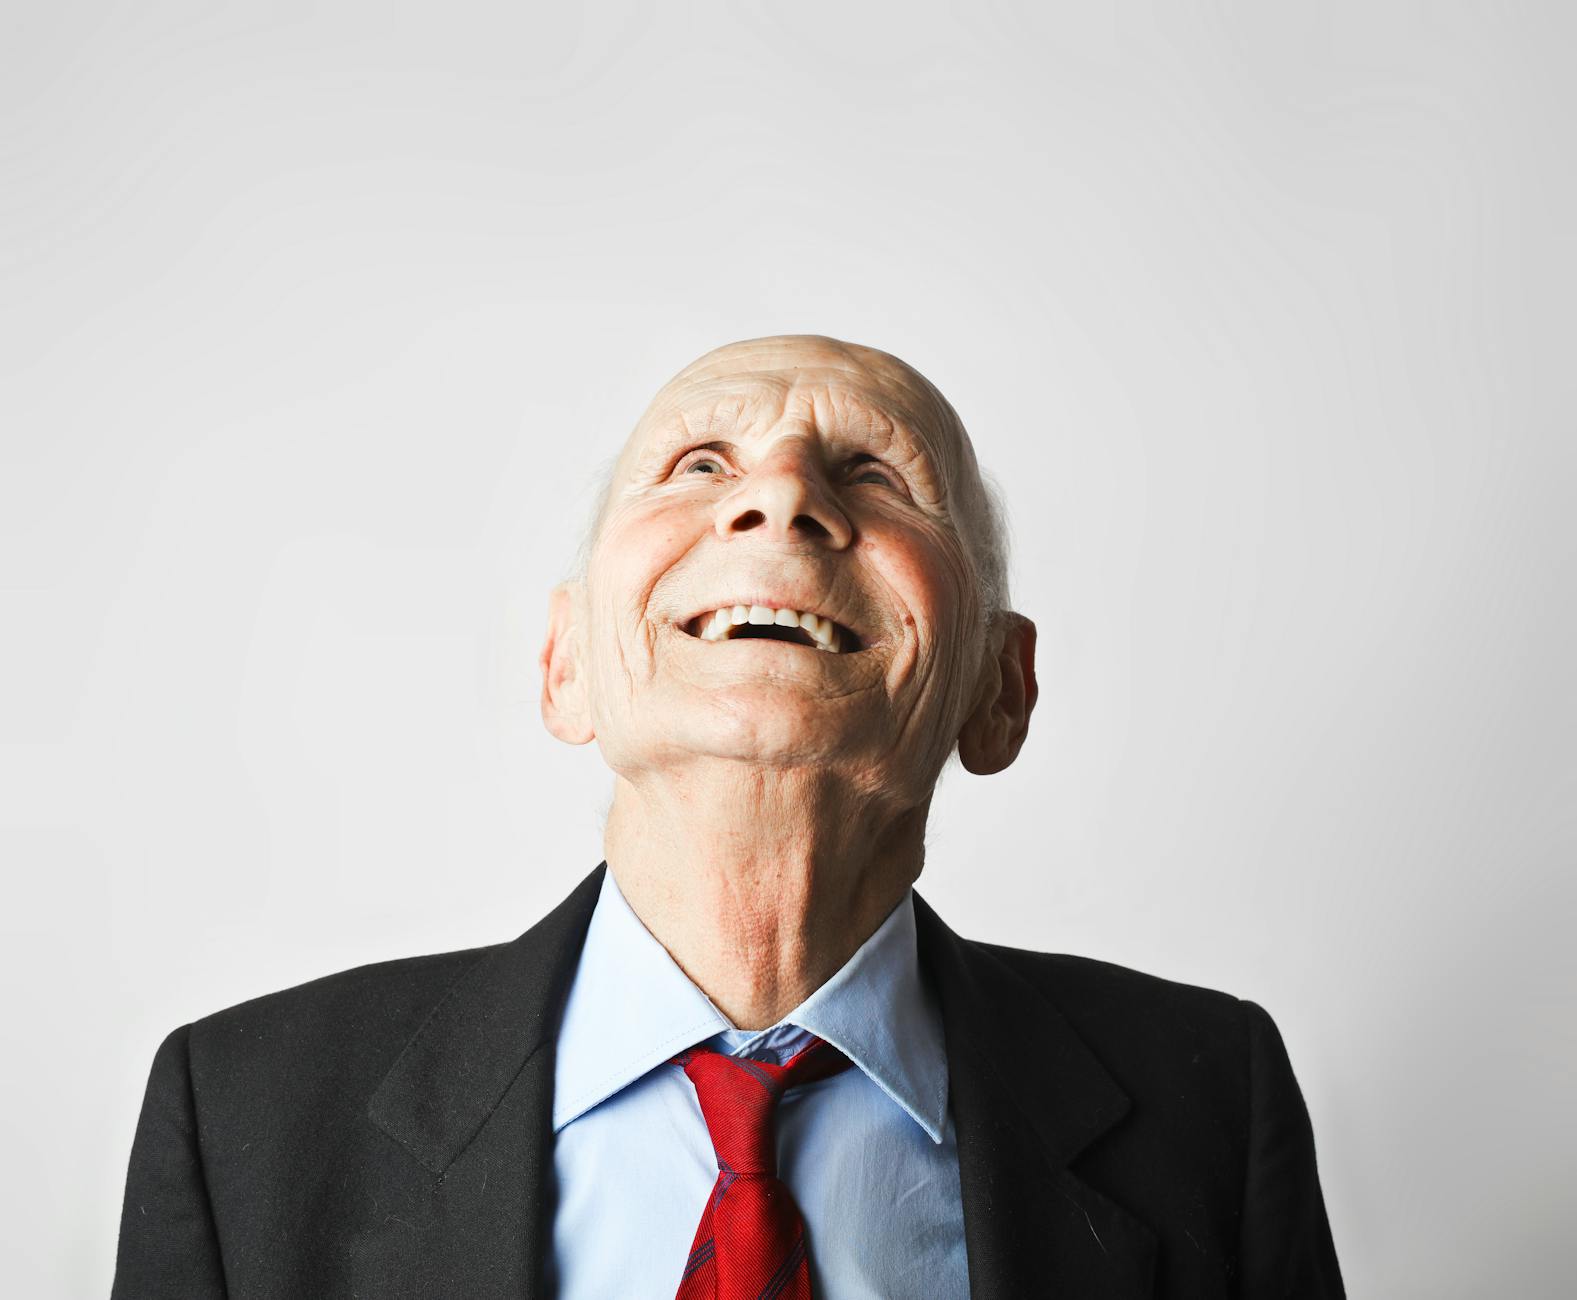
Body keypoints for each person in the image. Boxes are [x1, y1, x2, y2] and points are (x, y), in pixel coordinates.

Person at [111, 335, 1344, 1298]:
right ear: (565, 665)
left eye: (872, 471)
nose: (779, 503)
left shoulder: (1206, 1111)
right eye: (700, 464)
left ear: (997, 688)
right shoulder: (242, 1117)